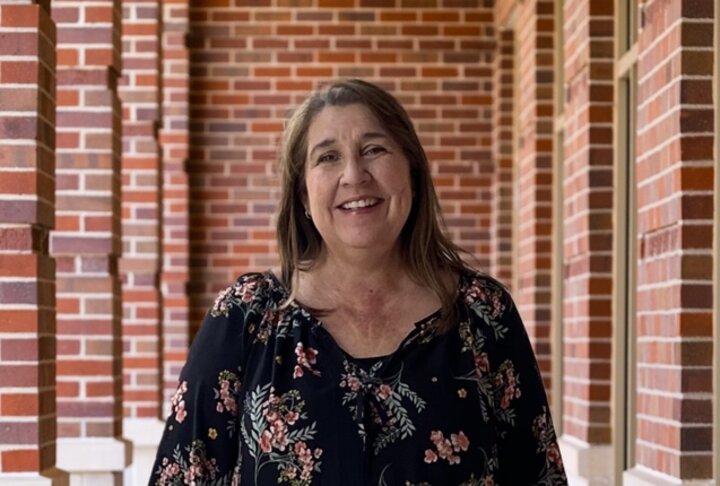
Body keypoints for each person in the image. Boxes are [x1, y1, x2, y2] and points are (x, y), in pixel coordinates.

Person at [149, 79, 567, 485]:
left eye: (374, 149)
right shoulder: (245, 318)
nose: (354, 174)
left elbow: (538, 474)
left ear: (413, 173)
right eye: (327, 157)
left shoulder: (483, 314)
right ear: (302, 196)